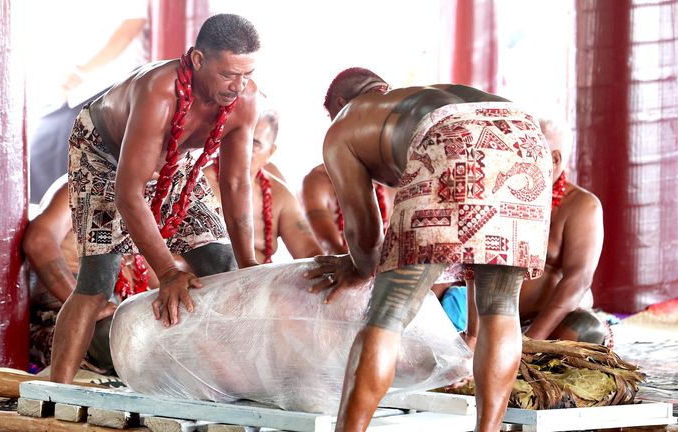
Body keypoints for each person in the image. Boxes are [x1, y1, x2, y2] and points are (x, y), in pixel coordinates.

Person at [304, 68, 551, 432]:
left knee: (388, 314)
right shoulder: (414, 96)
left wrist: (358, 268)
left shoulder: (343, 123)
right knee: (501, 305)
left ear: (338, 104)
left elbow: (364, 230)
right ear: (382, 89)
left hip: (447, 137)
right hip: (523, 135)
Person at [50, 13, 261, 384]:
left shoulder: (245, 100)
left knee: (223, 266)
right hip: (103, 157)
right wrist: (167, 273)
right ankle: (55, 390)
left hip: (173, 161)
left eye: (246, 74)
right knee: (98, 279)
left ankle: (227, 384)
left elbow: (236, 185)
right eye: (228, 74)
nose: (238, 86)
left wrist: (249, 267)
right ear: (198, 60)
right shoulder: (158, 92)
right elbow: (129, 194)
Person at [24, 176, 159, 372]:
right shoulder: (82, 183)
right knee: (119, 334)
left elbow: (157, 282)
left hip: (121, 321)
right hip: (66, 326)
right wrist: (83, 308)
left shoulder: (145, 196)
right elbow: (38, 240)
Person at [27, 0, 150, 203]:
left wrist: (83, 71)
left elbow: (129, 27)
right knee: (42, 147)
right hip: (71, 93)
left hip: (109, 84)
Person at [518, 118, 605, 343]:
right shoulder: (504, 194)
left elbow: (579, 278)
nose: (515, 164)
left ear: (554, 159)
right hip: (496, 321)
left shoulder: (582, 206)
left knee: (586, 329)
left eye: (525, 156)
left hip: (545, 326)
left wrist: (532, 340)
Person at [204, 109, 323, 263]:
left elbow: (309, 252)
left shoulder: (280, 195)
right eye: (235, 136)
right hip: (209, 282)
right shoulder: (198, 186)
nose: (242, 147)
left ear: (270, 152)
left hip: (262, 282)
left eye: (254, 143)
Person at [302, 68, 395, 254]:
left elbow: (369, 244)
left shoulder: (401, 162)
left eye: (334, 119)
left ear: (342, 106)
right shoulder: (318, 180)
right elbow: (334, 248)